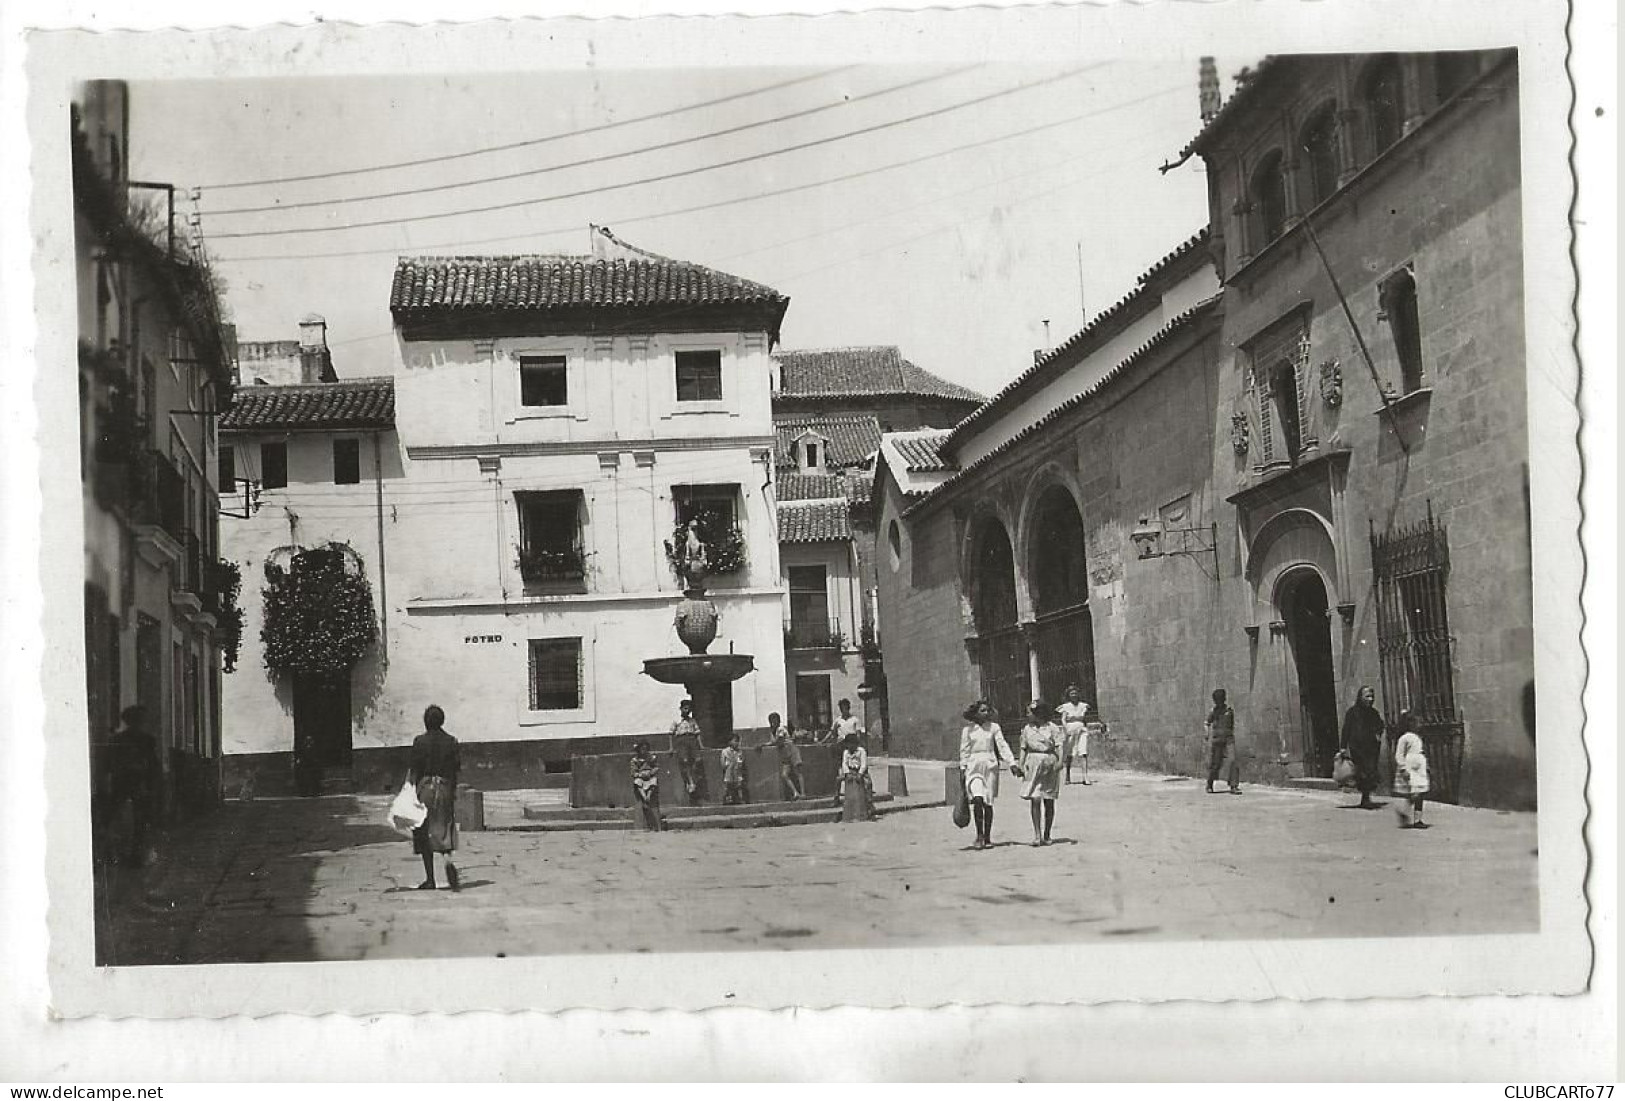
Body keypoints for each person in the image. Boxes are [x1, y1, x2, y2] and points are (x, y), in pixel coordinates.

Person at [408, 704, 461, 891]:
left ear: (425, 721)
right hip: (445, 787)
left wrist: (411, 792)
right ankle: (447, 859)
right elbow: (455, 770)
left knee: (424, 831)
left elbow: (415, 768)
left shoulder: (419, 742)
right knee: (444, 826)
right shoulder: (451, 741)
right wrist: (452, 792)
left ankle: (430, 879)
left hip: (425, 788)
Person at [104, 705, 160, 866]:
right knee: (136, 820)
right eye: (140, 720)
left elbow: (110, 764)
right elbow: (152, 764)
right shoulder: (146, 740)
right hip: (134, 782)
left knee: (128, 819)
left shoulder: (119, 740)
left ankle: (128, 853)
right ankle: (132, 854)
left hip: (128, 782)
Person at [959, 700, 1018, 850]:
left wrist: (1011, 762)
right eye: (982, 710)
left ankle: (987, 836)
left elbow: (1002, 745)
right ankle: (979, 835)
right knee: (977, 799)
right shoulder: (968, 730)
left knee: (988, 802)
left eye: (987, 710)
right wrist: (962, 768)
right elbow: (964, 751)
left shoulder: (994, 728)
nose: (985, 713)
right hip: (973, 767)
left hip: (990, 766)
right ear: (975, 713)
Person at [1019, 700, 1064, 845]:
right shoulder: (1027, 729)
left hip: (1049, 762)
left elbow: (1059, 746)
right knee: (1035, 798)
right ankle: (1037, 834)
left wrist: (1060, 762)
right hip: (1032, 763)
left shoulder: (1052, 728)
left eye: (1030, 712)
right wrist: (1020, 764)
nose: (1027, 715)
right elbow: (1023, 748)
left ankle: (1047, 834)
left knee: (1048, 799)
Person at [1340, 685, 1387, 810]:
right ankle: (1365, 797)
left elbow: (1380, 725)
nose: (1370, 699)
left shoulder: (1373, 713)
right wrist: (1343, 747)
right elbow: (1346, 729)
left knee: (1370, 772)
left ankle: (1366, 797)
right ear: (1360, 697)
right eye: (1367, 696)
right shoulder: (1352, 712)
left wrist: (1378, 734)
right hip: (1357, 748)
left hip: (1371, 749)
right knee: (1362, 773)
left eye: (1372, 696)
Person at [1391, 711, 1431, 830]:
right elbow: (1399, 754)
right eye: (1418, 722)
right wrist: (1403, 768)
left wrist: (1426, 765)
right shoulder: (1404, 738)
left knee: (1421, 793)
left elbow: (1420, 753)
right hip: (1410, 769)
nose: (1421, 725)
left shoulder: (1418, 737)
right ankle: (1405, 811)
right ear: (1410, 724)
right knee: (1415, 793)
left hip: (1419, 769)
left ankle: (1417, 819)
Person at [669, 699, 706, 803]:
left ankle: (693, 779)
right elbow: (671, 734)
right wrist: (671, 748)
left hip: (692, 740)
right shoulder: (676, 721)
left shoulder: (692, 721)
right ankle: (690, 782)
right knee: (685, 761)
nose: (687, 710)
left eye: (688, 709)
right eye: (685, 708)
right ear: (680, 709)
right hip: (681, 741)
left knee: (698, 760)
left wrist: (701, 745)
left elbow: (697, 733)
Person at [1205, 688, 1240, 795]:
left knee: (1233, 760)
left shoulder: (1229, 711)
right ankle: (1210, 783)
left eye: (1220, 699)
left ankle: (1233, 786)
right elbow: (1207, 722)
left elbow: (1232, 724)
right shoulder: (1213, 711)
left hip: (1229, 739)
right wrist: (1206, 733)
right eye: (1217, 700)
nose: (1219, 702)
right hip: (1217, 740)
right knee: (1216, 764)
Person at [836, 729, 876, 820]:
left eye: (852, 744)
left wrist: (860, 773)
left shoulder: (861, 751)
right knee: (838, 780)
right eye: (848, 744)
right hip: (850, 771)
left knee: (868, 784)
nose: (850, 746)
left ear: (856, 744)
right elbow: (844, 763)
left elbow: (864, 764)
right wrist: (846, 772)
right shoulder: (846, 752)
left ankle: (870, 805)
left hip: (860, 771)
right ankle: (836, 798)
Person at [1057, 686, 1092, 785]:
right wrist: (1066, 729)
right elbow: (1063, 719)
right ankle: (1067, 776)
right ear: (1068, 695)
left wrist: (1085, 727)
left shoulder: (1083, 706)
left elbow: (1085, 718)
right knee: (1070, 753)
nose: (1074, 695)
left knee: (1083, 752)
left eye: (1075, 693)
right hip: (1070, 730)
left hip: (1081, 729)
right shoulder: (1066, 706)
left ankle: (1085, 776)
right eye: (1072, 694)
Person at [767, 712, 804, 800]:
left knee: (798, 772)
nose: (773, 723)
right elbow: (773, 741)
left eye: (775, 720)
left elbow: (777, 741)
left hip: (791, 750)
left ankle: (803, 793)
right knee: (784, 775)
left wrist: (767, 743)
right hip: (785, 754)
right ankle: (795, 792)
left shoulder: (781, 729)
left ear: (778, 721)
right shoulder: (774, 731)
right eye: (771, 721)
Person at [629, 740, 663, 831]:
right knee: (637, 782)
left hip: (650, 776)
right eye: (642, 748)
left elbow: (656, 767)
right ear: (638, 749)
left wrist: (651, 773)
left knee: (654, 781)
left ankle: (648, 796)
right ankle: (644, 797)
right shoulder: (634, 760)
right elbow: (633, 772)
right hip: (641, 777)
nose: (643, 750)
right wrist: (640, 774)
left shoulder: (651, 757)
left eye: (645, 748)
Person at [721, 734, 746, 805]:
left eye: (738, 741)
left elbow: (741, 760)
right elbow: (722, 763)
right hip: (728, 771)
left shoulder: (739, 751)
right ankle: (726, 799)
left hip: (737, 770)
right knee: (727, 786)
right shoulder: (725, 751)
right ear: (730, 742)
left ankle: (740, 799)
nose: (737, 743)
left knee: (739, 785)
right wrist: (727, 766)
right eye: (735, 741)